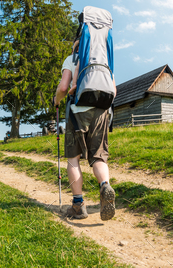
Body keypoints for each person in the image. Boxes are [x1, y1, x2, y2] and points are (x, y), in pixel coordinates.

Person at [53, 38, 117, 220]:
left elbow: (64, 87)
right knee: (98, 156)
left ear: (76, 46)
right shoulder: (104, 61)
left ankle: (78, 205)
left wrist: (56, 100)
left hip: (77, 111)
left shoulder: (72, 59)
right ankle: (105, 185)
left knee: (74, 159)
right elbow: (114, 91)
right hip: (102, 111)